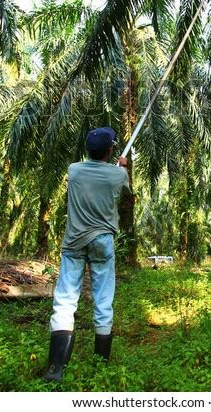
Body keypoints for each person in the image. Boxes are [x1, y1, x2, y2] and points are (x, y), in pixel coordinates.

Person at [43, 127, 131, 382]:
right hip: (102, 241)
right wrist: (122, 167)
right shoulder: (117, 175)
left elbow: (96, 174)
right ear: (110, 150)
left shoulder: (74, 170)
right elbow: (123, 187)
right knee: (103, 300)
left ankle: (55, 369)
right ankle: (100, 365)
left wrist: (115, 168)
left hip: (74, 242)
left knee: (65, 300)